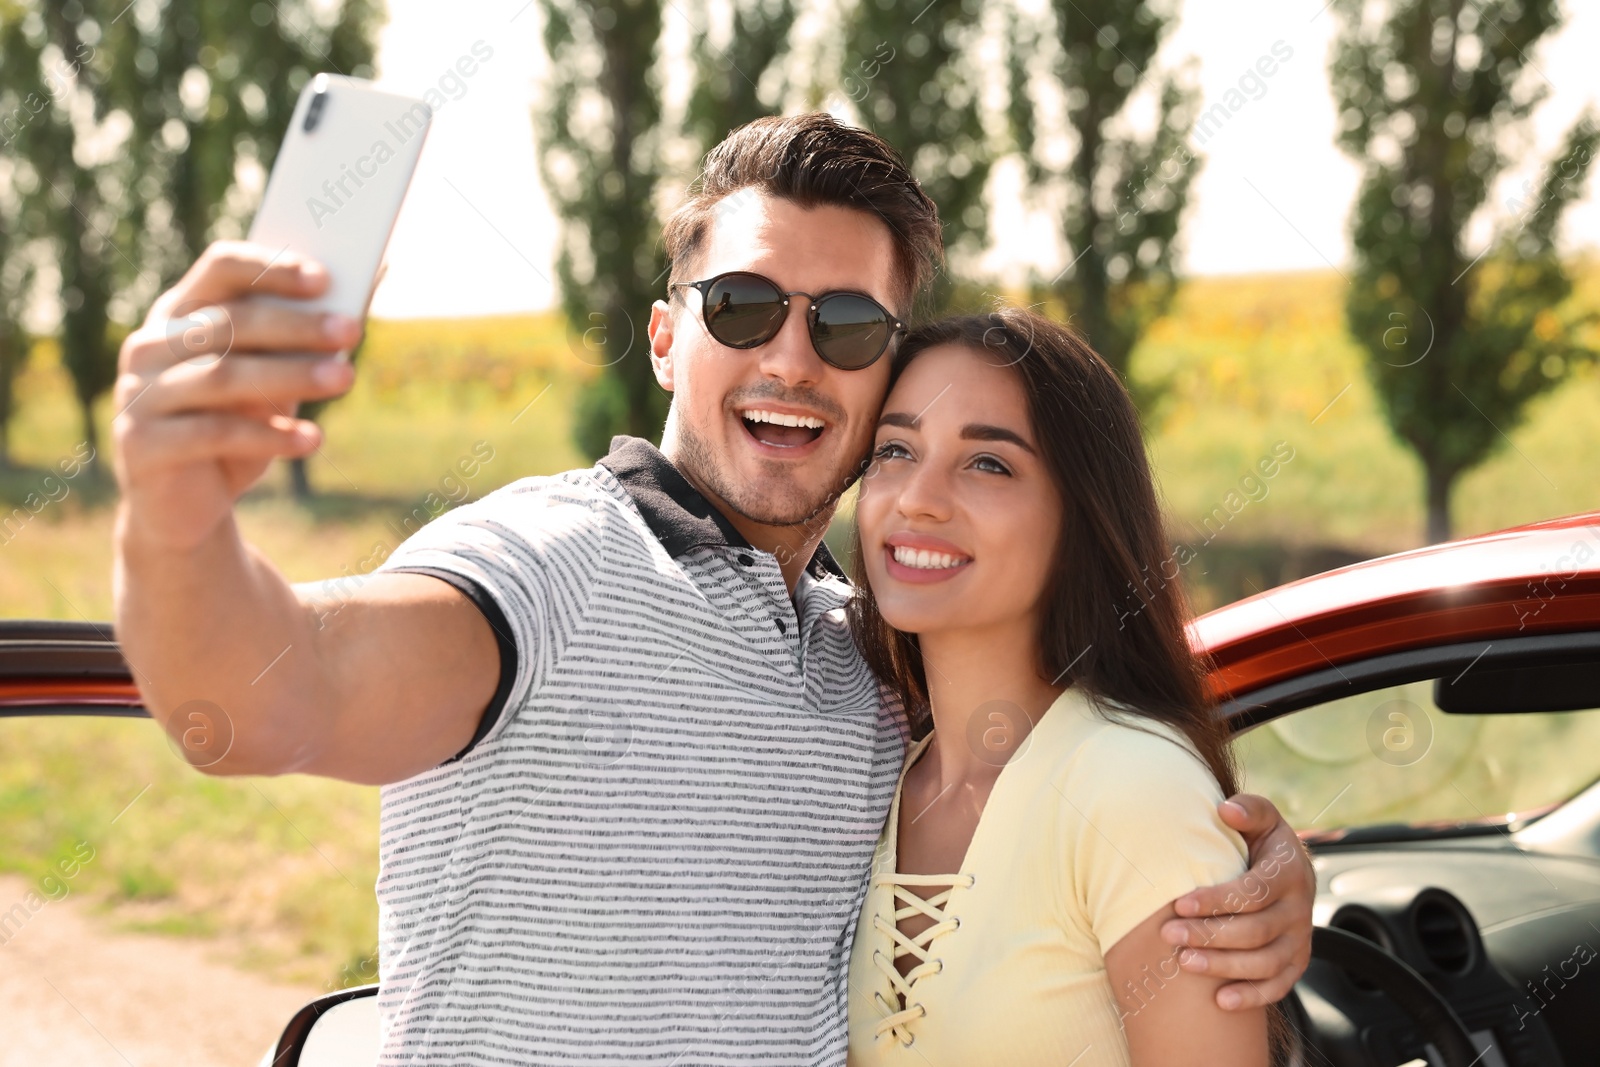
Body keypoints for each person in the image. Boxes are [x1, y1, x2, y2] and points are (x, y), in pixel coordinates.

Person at [111, 113, 1313, 1065]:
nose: (792, 356)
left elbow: (1065, 819)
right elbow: (273, 698)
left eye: (847, 325)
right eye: (742, 307)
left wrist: (1247, 880)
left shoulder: (877, 656)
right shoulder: (549, 566)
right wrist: (175, 513)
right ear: (664, 340)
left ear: (886, 369)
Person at [844, 308, 1274, 1066]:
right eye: (895, 450)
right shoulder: (870, 771)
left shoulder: (1135, 788)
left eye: (988, 464)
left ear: (1081, 515)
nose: (917, 497)